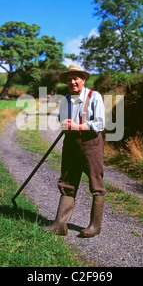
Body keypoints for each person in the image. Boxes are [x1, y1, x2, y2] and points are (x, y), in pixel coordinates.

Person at [44, 64, 106, 238]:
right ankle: (60, 225)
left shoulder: (94, 97)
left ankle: (95, 226)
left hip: (90, 143)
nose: (72, 82)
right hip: (70, 143)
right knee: (67, 181)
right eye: (69, 79)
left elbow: (100, 124)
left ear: (83, 79)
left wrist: (78, 126)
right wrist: (65, 124)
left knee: (96, 183)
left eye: (75, 78)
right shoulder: (64, 99)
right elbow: (61, 119)